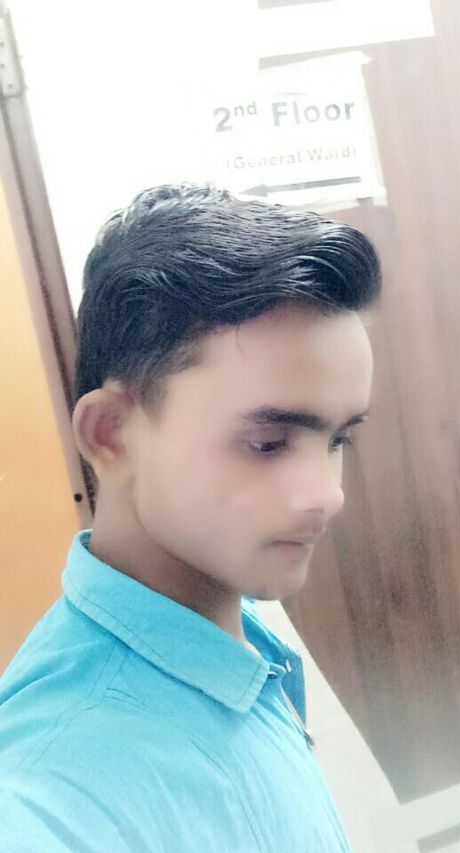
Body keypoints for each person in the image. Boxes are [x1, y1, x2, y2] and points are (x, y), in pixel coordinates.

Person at [0, 183, 381, 851]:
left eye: (337, 439)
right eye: (268, 443)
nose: (327, 495)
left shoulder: (238, 622)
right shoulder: (50, 794)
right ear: (112, 434)